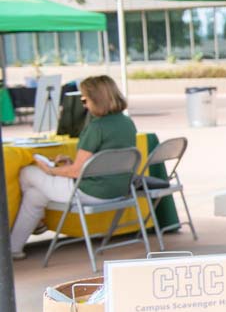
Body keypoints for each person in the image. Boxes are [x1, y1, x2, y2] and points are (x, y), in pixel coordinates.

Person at [10, 75, 138, 259]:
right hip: (119, 190)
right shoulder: (127, 123)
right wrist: (70, 164)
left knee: (27, 172)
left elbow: (77, 171)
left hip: (89, 192)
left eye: (85, 100)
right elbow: (103, 160)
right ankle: (15, 248)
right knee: (34, 196)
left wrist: (50, 170)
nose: (84, 105)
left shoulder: (96, 127)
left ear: (96, 99)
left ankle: (37, 223)